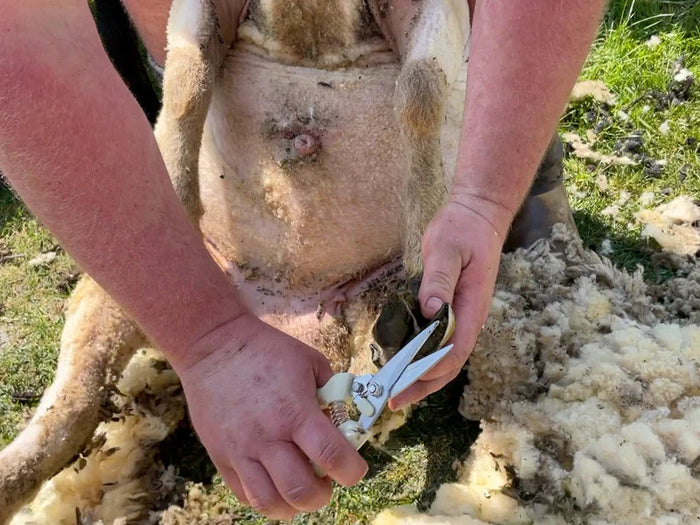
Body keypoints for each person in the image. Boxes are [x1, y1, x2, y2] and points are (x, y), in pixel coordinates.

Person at [0, 0, 606, 519]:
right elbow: (19, 43)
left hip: (382, 262)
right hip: (218, 235)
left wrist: (482, 202)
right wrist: (206, 338)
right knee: (81, 389)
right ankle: (45, 436)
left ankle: (518, 165)